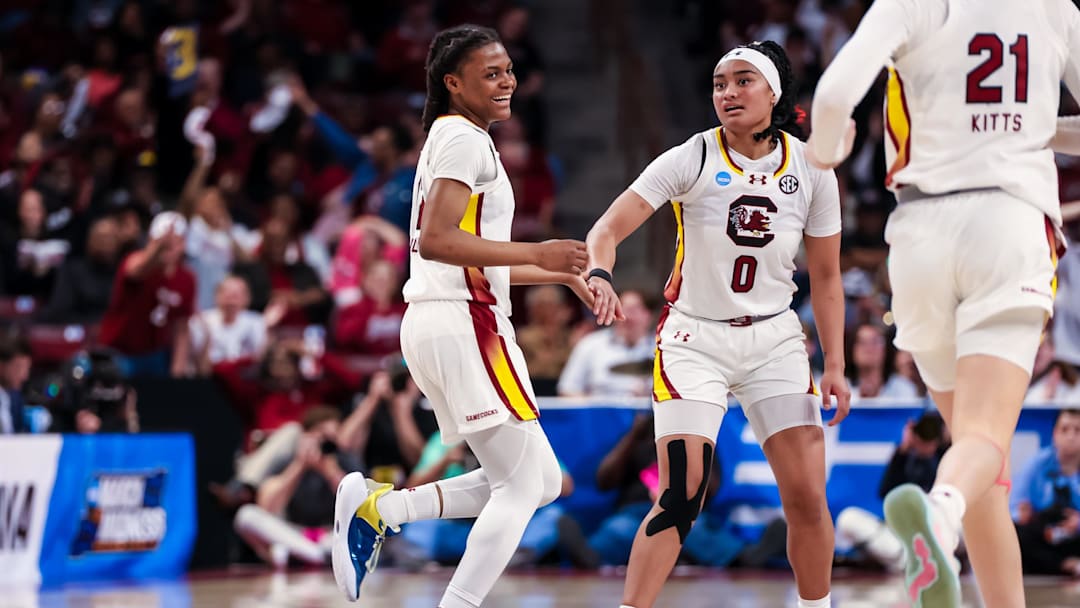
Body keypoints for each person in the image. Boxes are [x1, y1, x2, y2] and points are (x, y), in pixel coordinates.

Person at [808, 1, 1080, 605]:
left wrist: (824, 152)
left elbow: (831, 98)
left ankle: (964, 546)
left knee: (979, 461)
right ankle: (939, 512)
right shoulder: (1055, 9)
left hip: (919, 237)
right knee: (983, 444)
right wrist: (1036, 126)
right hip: (1008, 224)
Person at [332, 24, 592, 608]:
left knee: (541, 482)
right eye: (490, 74)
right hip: (463, 323)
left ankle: (382, 509)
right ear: (453, 83)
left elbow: (470, 258)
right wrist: (538, 251)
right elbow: (436, 241)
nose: (506, 83)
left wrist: (558, 272)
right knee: (522, 487)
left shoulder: (461, 137)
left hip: (454, 316)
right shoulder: (462, 140)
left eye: (507, 71)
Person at [585, 40, 850, 608]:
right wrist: (602, 273)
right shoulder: (692, 156)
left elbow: (827, 279)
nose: (727, 93)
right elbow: (605, 228)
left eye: (741, 81)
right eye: (718, 83)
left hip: (775, 337)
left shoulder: (812, 168)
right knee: (681, 493)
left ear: (774, 91)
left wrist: (839, 365)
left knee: (806, 498)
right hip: (695, 338)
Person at [1011, 409, 1080, 577]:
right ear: (1055, 434)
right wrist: (1024, 514)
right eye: (1064, 430)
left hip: (1076, 536)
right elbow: (1014, 508)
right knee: (1017, 534)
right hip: (1044, 536)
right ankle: (1066, 566)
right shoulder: (1036, 464)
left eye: (1078, 430)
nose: (1071, 436)